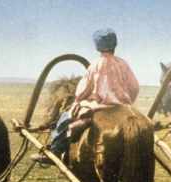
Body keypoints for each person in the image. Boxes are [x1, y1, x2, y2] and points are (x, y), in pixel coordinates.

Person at [31, 28, 139, 164]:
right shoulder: (123, 64)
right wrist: (127, 101)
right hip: (122, 106)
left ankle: (55, 151)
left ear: (97, 46)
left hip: (100, 105)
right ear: (114, 44)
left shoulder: (95, 65)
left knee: (65, 118)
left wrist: (79, 99)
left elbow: (83, 90)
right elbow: (134, 87)